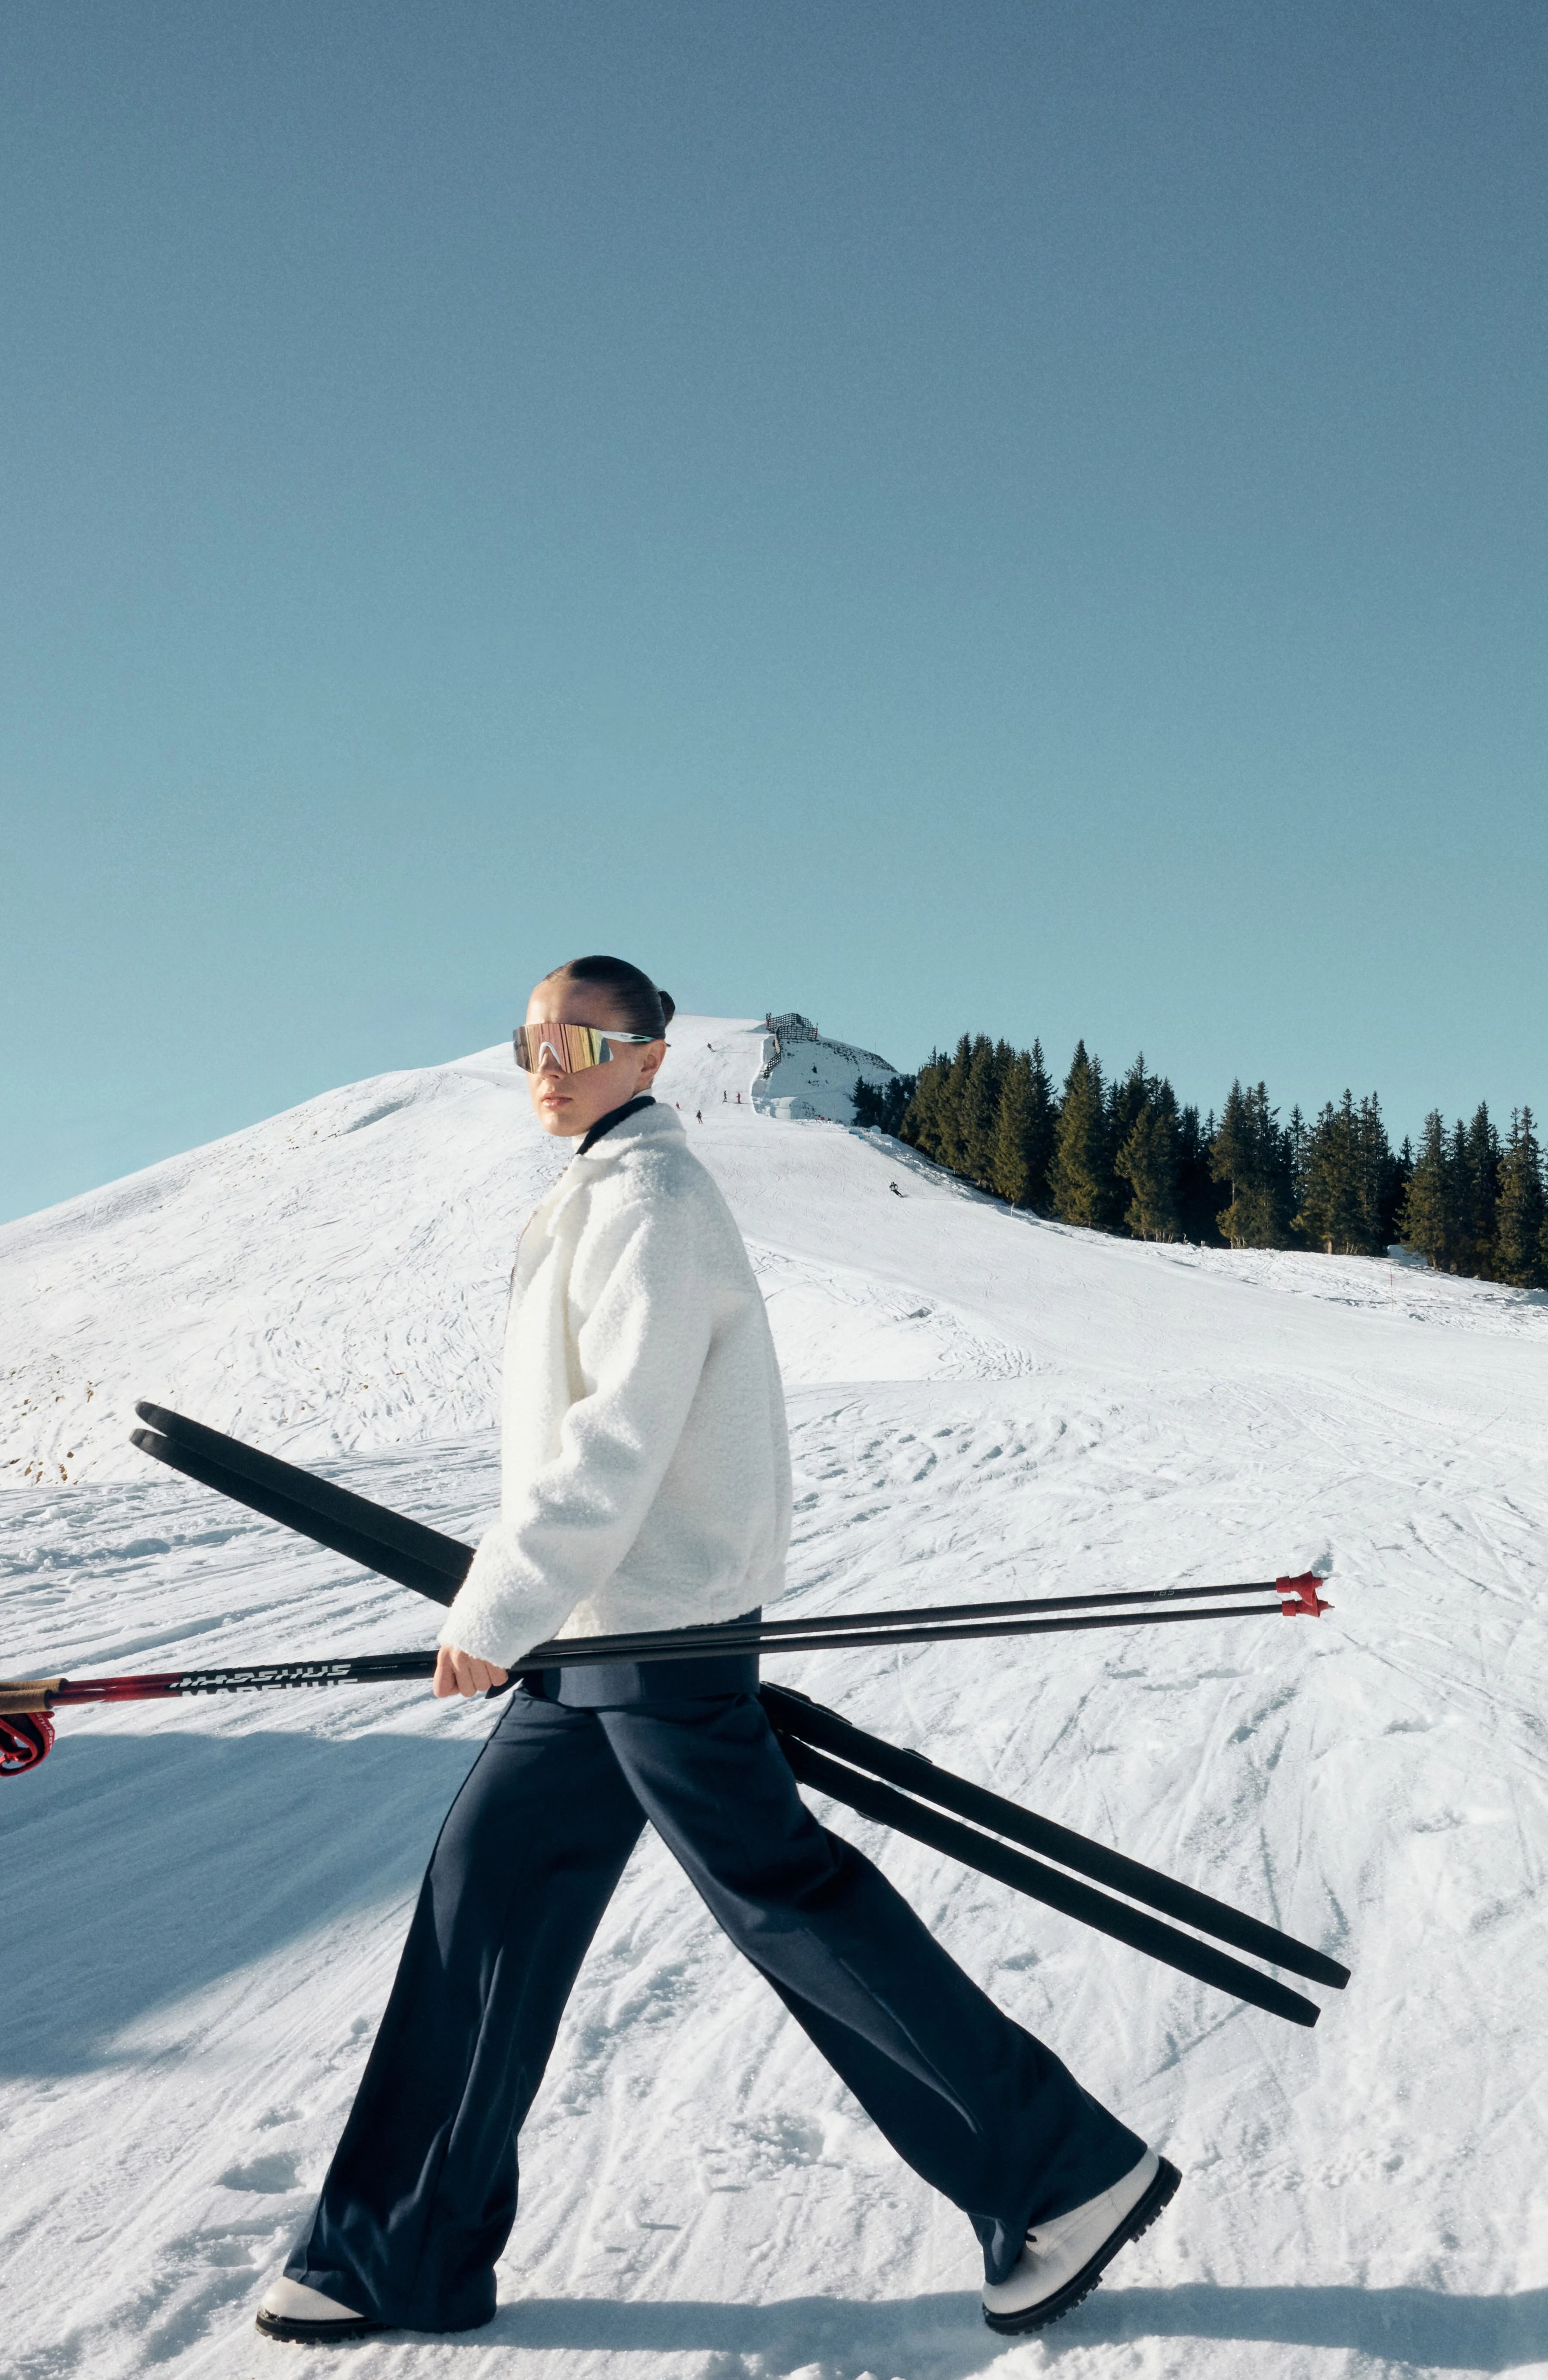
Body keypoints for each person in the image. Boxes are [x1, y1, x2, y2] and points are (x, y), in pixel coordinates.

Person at [258, 955, 1174, 2346]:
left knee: (780, 1897)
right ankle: (398, 2251)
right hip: (606, 1629)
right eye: (527, 1043)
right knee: (485, 1901)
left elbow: (611, 1446)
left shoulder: (652, 1202)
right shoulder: (594, 1191)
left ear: (648, 1056)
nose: (546, 1063)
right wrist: (532, 1614)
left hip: (654, 1628)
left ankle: (1063, 2177)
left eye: (576, 1038)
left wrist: (496, 1615)